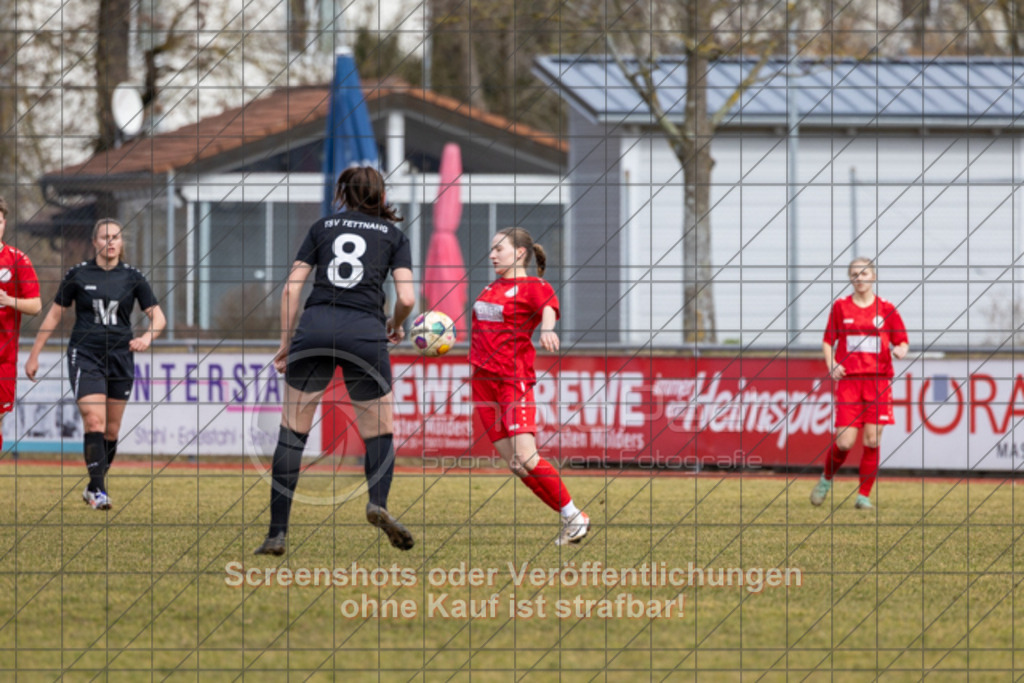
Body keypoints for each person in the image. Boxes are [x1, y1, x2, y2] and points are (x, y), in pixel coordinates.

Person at [254, 166, 416, 556]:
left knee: (292, 431)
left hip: (316, 326)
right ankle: (377, 501)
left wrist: (285, 343)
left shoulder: (322, 227)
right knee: (379, 432)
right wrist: (394, 325)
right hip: (364, 331)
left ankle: (277, 534)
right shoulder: (394, 236)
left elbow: (292, 289)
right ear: (380, 195)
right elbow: (408, 298)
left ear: (343, 193)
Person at [26, 218, 165, 510]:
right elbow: (53, 316)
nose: (111, 242)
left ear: (121, 242)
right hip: (85, 354)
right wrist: (35, 354)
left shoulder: (133, 277)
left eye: (116, 237)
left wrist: (147, 338)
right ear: (95, 242)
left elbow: (158, 317)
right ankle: (100, 493)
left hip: (120, 357)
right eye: (105, 237)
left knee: (111, 431)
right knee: (94, 421)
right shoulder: (77, 275)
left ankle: (93, 486)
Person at [471, 227, 590, 545]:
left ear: (519, 253)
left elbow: (548, 307)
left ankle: (574, 516)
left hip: (512, 380)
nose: (492, 255)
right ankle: (574, 518)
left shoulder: (533, 286)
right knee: (517, 465)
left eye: (499, 249)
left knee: (526, 457)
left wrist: (547, 329)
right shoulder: (491, 288)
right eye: (492, 249)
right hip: (483, 384)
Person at [811, 257, 908, 510]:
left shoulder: (886, 308)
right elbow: (827, 341)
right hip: (850, 383)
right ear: (850, 278)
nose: (859, 278)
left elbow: (902, 340)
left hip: (879, 382)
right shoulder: (841, 307)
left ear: (873, 277)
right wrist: (832, 363)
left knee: (873, 440)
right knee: (844, 442)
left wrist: (901, 349)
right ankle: (826, 478)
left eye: (864, 273)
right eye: (855, 274)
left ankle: (863, 495)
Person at [0, 197, 42, 452]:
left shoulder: (17, 260)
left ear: (4, 223)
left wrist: (9, 299)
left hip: (3, 358)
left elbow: (36, 306)